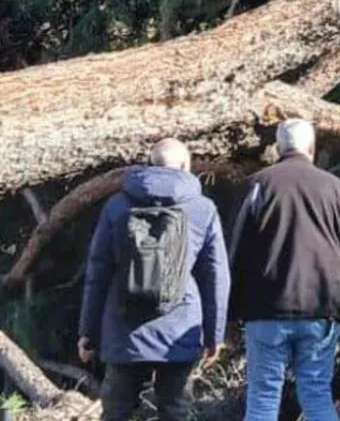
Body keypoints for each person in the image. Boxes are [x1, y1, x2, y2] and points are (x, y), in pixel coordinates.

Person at [78, 138, 230, 421]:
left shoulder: (116, 205)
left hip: (125, 327)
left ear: (150, 164)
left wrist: (88, 331)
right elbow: (215, 274)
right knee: (175, 410)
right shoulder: (202, 208)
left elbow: (98, 270)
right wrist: (214, 334)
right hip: (180, 325)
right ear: (186, 167)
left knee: (116, 411)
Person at [228, 119, 340, 421]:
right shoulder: (336, 189)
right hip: (321, 310)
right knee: (317, 395)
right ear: (312, 148)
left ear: (279, 148)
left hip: (266, 309)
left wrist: (230, 308)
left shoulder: (257, 185)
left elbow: (234, 252)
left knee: (263, 397)